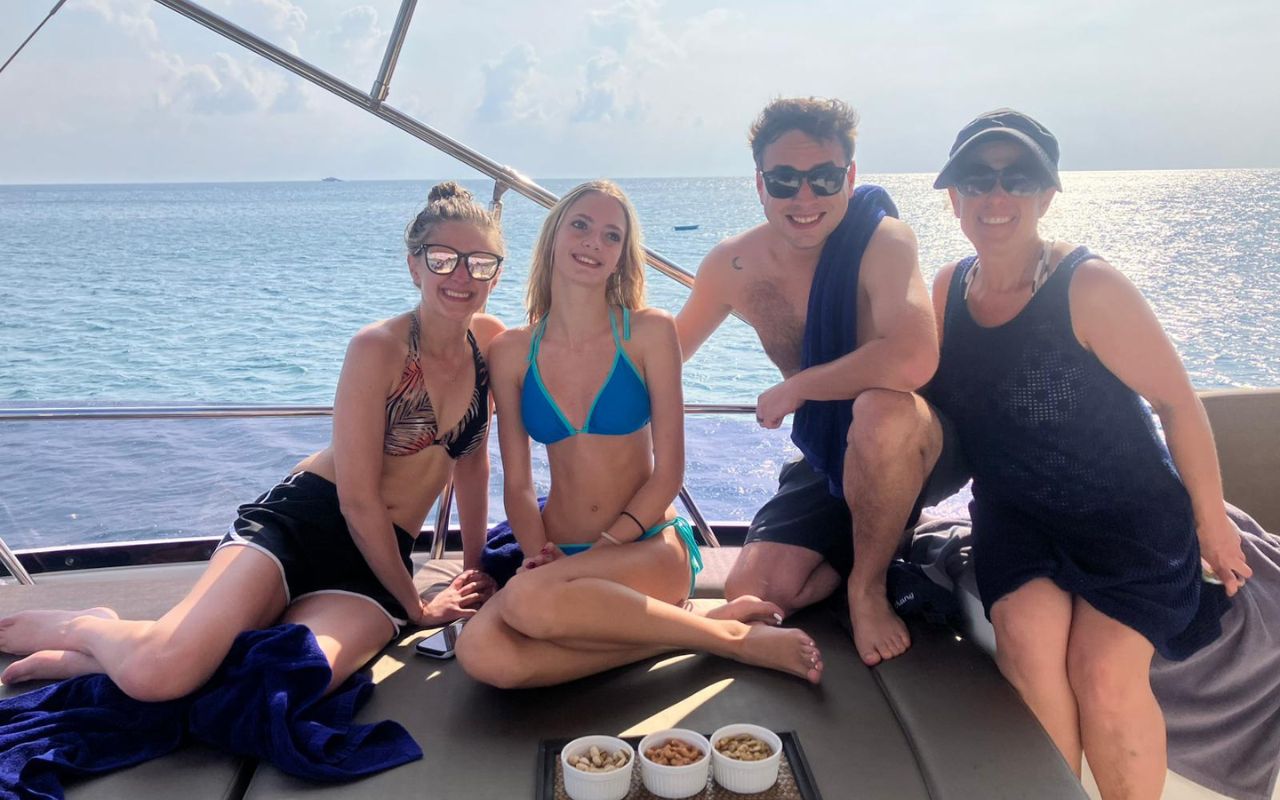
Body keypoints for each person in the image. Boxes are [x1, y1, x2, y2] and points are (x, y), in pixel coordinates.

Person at [0, 182, 505, 700]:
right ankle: (89, 628)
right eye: (443, 259)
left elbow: (473, 467)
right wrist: (416, 606)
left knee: (288, 681)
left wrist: (474, 572)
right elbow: (357, 501)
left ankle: (118, 658)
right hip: (302, 524)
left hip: (380, 555)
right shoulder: (378, 348)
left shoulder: (490, 344)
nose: (461, 275)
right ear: (415, 266)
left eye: (480, 263)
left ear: (497, 273)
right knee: (160, 674)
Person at [925, 109, 1248, 799]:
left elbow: (1177, 404)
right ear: (953, 197)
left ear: (1047, 195)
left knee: (1103, 673)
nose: (996, 195)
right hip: (1018, 518)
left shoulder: (1089, 287)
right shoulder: (947, 289)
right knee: (1026, 644)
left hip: (1128, 519)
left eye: (1019, 178)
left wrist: (1212, 522)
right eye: (976, 179)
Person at [456, 180, 823, 688]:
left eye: (612, 235)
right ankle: (701, 629)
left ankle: (738, 642)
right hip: (559, 549)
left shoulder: (649, 332)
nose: (594, 242)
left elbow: (669, 472)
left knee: (525, 601)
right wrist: (539, 555)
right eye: (581, 225)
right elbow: (517, 484)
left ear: (621, 257)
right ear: (553, 236)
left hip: (647, 546)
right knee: (479, 651)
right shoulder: (513, 351)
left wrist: (607, 546)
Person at [675, 97, 968, 665]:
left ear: (849, 178)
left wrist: (798, 387)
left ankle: (868, 588)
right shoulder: (734, 265)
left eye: (824, 178)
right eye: (784, 180)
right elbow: (665, 355)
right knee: (751, 593)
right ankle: (879, 542)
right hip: (829, 451)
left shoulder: (884, 242)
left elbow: (913, 359)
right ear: (760, 185)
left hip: (913, 442)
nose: (804, 198)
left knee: (879, 410)